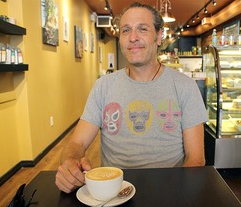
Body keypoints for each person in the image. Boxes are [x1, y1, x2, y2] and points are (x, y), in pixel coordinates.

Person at [55, 2, 208, 193]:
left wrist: (176, 197)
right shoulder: (103, 86)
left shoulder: (185, 87)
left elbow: (196, 159)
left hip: (169, 191)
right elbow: (77, 143)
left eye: (142, 29)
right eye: (126, 30)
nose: (133, 37)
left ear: (159, 36)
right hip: (114, 192)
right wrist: (70, 162)